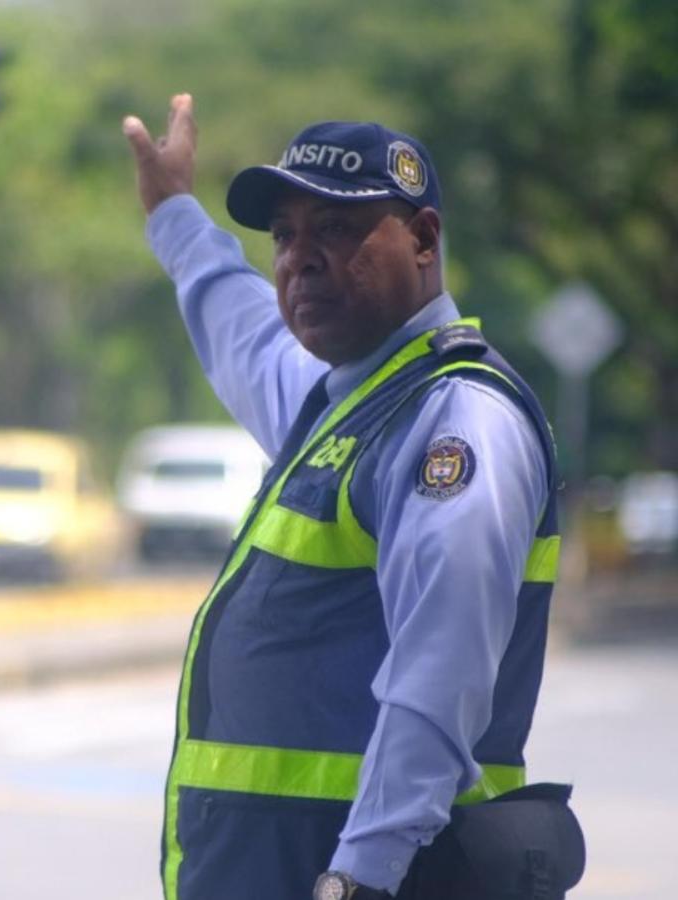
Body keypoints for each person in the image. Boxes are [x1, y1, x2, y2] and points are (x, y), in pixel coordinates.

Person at [122, 95, 566, 899]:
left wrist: (360, 876)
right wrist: (174, 214)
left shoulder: (452, 420)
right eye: (286, 236)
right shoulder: (347, 399)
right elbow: (244, 330)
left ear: (424, 239)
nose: (299, 260)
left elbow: (441, 675)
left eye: (334, 229)